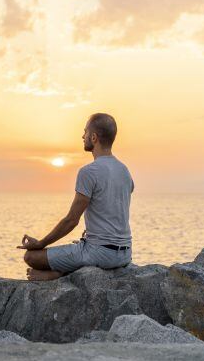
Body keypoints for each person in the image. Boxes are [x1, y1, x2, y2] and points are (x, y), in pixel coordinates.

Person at [17, 113, 134, 281]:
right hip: (124, 254)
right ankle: (66, 270)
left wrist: (41, 243)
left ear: (93, 138)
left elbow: (71, 220)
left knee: (31, 257)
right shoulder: (124, 170)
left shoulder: (89, 172)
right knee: (78, 248)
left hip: (99, 253)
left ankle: (59, 274)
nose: (82, 136)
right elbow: (114, 203)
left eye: (85, 132)